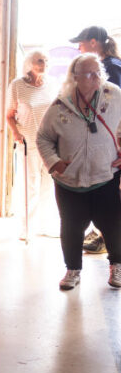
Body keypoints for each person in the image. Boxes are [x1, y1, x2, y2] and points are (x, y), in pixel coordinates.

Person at [36, 54, 121, 290]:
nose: (97, 78)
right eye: (89, 73)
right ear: (75, 77)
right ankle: (72, 270)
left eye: (98, 72)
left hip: (106, 177)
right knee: (71, 228)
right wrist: (54, 162)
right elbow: (43, 137)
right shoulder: (60, 104)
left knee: (113, 225)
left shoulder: (114, 96)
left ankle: (117, 266)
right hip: (69, 182)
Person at [69, 26, 121, 254]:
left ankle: (107, 239)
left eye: (80, 44)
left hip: (114, 142)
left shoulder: (110, 68)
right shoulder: (114, 64)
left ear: (92, 43)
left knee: (110, 191)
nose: (78, 48)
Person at [6, 50, 57, 239]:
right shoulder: (17, 85)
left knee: (48, 184)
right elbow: (10, 115)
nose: (44, 63)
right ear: (29, 63)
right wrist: (16, 133)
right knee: (30, 186)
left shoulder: (52, 85)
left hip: (50, 142)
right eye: (39, 60)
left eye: (46, 60)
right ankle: (26, 227)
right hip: (28, 141)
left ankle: (46, 225)